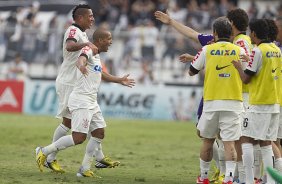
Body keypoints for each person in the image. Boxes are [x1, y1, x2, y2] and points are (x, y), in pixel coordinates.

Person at [35, 28, 135, 177]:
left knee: (99, 133)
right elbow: (81, 58)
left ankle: (84, 169)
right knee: (79, 138)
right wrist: (81, 65)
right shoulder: (89, 49)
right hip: (81, 100)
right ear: (100, 40)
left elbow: (99, 72)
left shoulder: (97, 55)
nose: (111, 41)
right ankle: (44, 151)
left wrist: (119, 80)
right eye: (109, 38)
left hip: (91, 101)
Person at [41, 4, 98, 173]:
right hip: (68, 82)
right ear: (80, 18)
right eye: (90, 16)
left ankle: (49, 157)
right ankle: (49, 157)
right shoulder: (73, 31)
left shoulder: (82, 32)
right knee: (70, 123)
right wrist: (87, 43)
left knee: (70, 122)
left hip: (75, 83)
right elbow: (70, 46)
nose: (92, 18)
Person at [189, 17, 245, 184]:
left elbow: (192, 71)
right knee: (229, 143)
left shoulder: (207, 49)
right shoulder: (239, 50)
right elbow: (250, 70)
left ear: (214, 33)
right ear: (230, 33)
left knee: (208, 140)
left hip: (212, 102)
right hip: (234, 102)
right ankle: (228, 179)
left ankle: (204, 177)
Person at [232, 19, 281, 184]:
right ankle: (270, 181)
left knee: (245, 138)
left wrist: (238, 66)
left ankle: (247, 180)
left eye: (250, 32)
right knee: (266, 143)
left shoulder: (258, 51)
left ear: (253, 33)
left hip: (259, 103)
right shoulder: (276, 49)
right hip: (274, 104)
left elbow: (246, 78)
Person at [226, 8, 254, 183]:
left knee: (240, 138)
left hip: (243, 96)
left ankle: (243, 178)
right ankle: (239, 177)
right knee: (236, 138)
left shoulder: (241, 42)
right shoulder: (239, 40)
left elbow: (244, 66)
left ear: (233, 23)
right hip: (242, 95)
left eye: (228, 21)